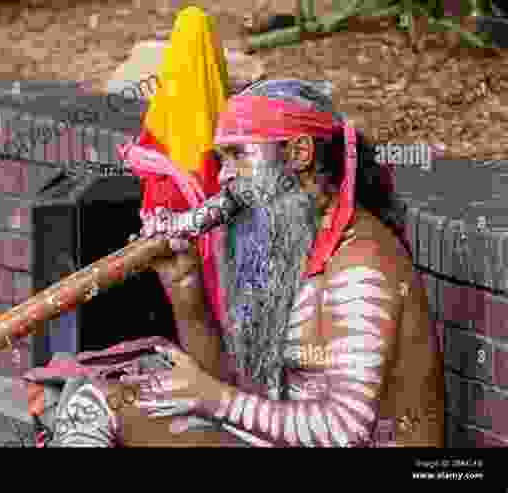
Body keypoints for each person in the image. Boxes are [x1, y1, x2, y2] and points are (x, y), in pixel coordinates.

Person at [47, 79, 445, 447]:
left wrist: (212, 398)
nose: (222, 177)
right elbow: (239, 394)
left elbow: (345, 429)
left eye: (238, 155)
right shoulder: (294, 244)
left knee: (101, 406)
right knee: (101, 397)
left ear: (299, 154)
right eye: (221, 159)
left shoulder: (361, 265)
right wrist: (186, 290)